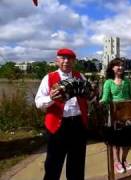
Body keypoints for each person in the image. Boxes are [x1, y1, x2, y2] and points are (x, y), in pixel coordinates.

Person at [35, 48, 88, 180]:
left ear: (74, 61)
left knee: (77, 165)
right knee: (53, 165)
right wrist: (51, 98)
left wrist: (93, 95)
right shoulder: (49, 78)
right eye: (63, 58)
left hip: (78, 124)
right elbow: (38, 102)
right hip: (58, 126)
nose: (66, 61)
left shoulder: (80, 76)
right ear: (57, 61)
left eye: (70, 59)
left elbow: (88, 99)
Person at [99, 58, 131, 174]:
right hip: (114, 114)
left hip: (127, 114)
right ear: (112, 68)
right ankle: (117, 161)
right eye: (117, 65)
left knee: (128, 139)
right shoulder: (108, 82)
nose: (120, 67)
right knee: (116, 140)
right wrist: (100, 102)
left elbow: (130, 97)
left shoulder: (127, 81)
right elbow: (105, 98)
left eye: (122, 65)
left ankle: (124, 160)